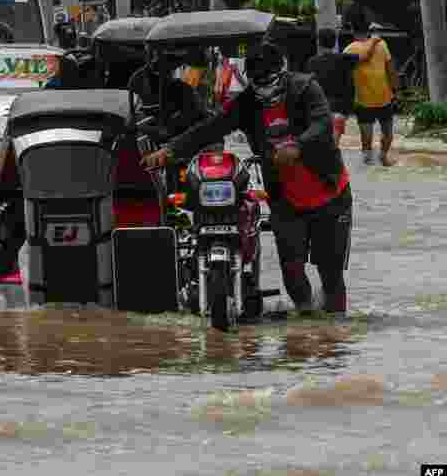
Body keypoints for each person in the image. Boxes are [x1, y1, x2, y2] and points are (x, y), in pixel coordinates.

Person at [143, 41, 353, 314]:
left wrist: (297, 147)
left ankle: (334, 336)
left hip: (330, 194)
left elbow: (322, 124)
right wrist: (170, 150)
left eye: (271, 82)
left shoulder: (306, 88)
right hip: (286, 200)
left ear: (283, 71)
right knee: (291, 269)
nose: (265, 89)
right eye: (258, 84)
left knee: (331, 273)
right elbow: (210, 128)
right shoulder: (248, 104)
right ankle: (307, 321)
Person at [306, 29, 378, 148]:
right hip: (341, 109)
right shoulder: (344, 59)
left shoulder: (311, 62)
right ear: (334, 43)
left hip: (320, 107)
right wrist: (374, 41)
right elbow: (366, 56)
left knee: (321, 141)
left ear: (319, 43)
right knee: (334, 140)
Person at [344, 23, 400, 166]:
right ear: (369, 31)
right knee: (388, 134)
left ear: (352, 31)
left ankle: (368, 159)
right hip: (384, 98)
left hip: (363, 100)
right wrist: (396, 90)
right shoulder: (382, 45)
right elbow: (391, 69)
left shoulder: (349, 50)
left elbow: (345, 77)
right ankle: (383, 156)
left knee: (366, 136)